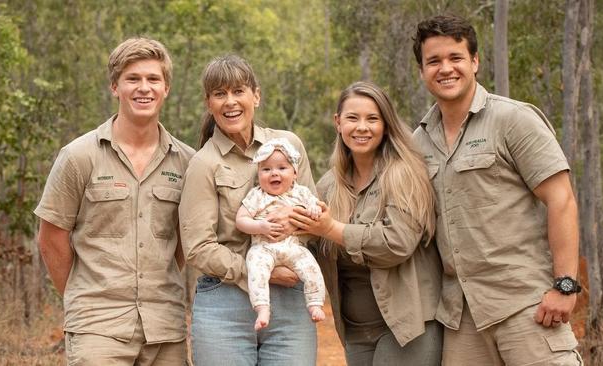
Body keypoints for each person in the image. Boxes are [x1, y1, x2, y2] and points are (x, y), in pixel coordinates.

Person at [411, 14, 583, 365]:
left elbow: (561, 199)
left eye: (455, 58)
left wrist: (565, 285)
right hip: (462, 319)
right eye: (434, 61)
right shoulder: (418, 141)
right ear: (422, 71)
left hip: (526, 305)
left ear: (474, 62)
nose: (446, 69)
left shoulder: (513, 120)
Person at [34, 37, 194, 365]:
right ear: (114, 87)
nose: (143, 88)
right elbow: (51, 238)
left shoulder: (187, 162)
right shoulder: (79, 156)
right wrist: (83, 298)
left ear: (166, 88)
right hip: (97, 328)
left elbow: (182, 243)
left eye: (153, 79)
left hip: (165, 328)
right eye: (132, 79)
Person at [290, 81, 443, 366]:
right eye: (352, 118)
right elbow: (312, 247)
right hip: (354, 331)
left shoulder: (402, 173)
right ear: (338, 123)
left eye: (372, 118)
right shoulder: (328, 186)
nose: (362, 127)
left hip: (406, 328)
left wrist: (330, 229)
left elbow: (397, 243)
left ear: (385, 124)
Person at [178, 55, 318, 366]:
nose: (230, 102)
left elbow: (315, 217)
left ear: (256, 95)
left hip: (291, 301)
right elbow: (198, 248)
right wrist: (261, 272)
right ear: (208, 102)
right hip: (224, 304)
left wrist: (293, 234)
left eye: (238, 91)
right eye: (219, 94)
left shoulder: (288, 146)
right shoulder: (203, 164)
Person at [236, 137, 326, 331]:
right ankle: (262, 308)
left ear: (295, 173)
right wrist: (259, 226)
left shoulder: (302, 193)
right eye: (266, 169)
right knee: (256, 269)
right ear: (258, 174)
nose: (274, 173)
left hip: (293, 247)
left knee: (311, 268)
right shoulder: (257, 195)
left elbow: (316, 208)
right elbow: (241, 220)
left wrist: (314, 210)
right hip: (263, 247)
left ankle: (315, 303)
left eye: (282, 168)